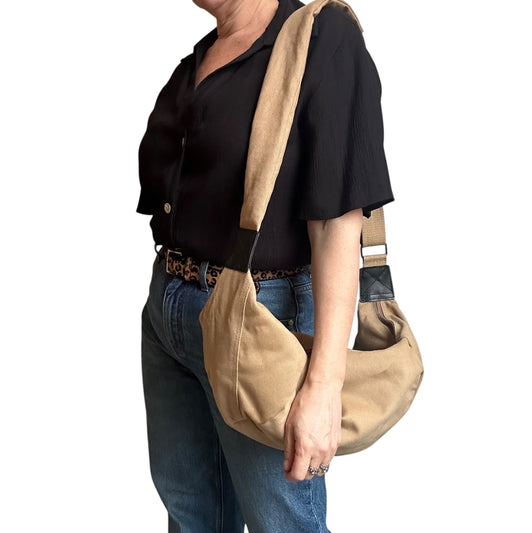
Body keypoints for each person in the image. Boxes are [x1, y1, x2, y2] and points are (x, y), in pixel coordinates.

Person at [136, 0, 395, 531]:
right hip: (169, 311)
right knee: (190, 516)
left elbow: (337, 222)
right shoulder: (200, 58)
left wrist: (323, 387)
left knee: (283, 523)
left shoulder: (321, 37)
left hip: (261, 321)